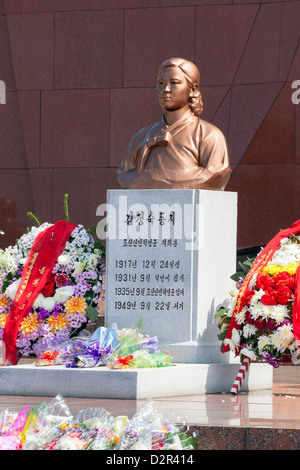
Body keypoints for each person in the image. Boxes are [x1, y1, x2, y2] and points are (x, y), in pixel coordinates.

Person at [117, 57, 231, 190]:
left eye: (174, 83)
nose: (165, 89)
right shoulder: (141, 137)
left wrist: (150, 179)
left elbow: (214, 176)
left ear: (192, 89)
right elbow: (124, 175)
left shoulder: (209, 135)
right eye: (161, 83)